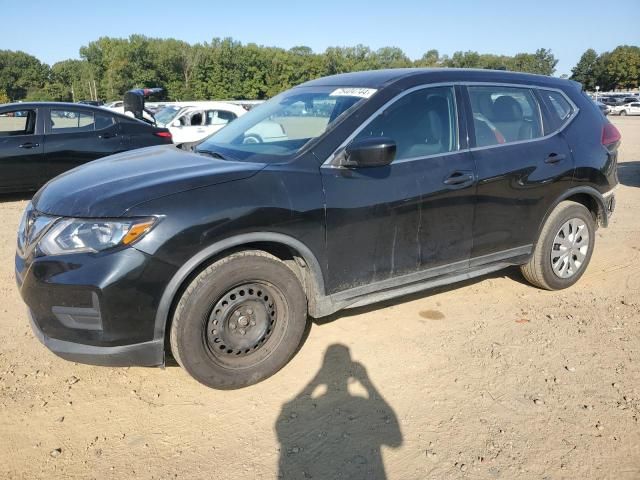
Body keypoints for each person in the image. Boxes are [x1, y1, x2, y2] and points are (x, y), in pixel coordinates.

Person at [276, 344, 402, 479]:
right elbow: (395, 441)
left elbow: (284, 422)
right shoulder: (362, 402)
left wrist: (315, 381)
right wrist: (368, 384)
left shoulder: (315, 405)